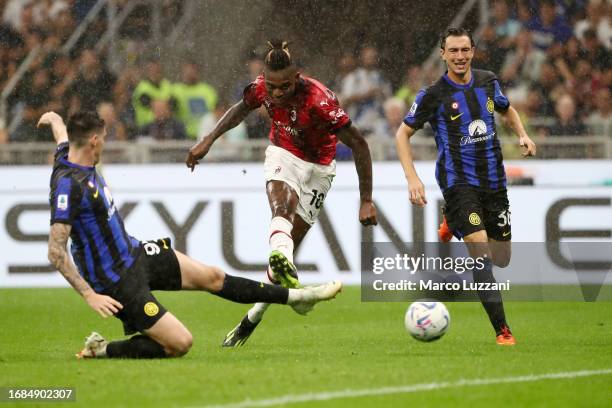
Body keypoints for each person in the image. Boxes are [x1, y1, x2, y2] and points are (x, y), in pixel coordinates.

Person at [39, 110, 342, 359]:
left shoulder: (71, 152)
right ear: (93, 140)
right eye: (103, 139)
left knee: (212, 277)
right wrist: (90, 295)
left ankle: (298, 297)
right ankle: (102, 350)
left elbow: (63, 137)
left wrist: (55, 120)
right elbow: (56, 251)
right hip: (115, 281)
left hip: (135, 253)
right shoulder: (68, 186)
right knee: (179, 344)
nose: (104, 144)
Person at [186, 39, 378, 347]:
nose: (276, 93)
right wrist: (208, 140)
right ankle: (285, 265)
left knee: (288, 245)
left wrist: (366, 199)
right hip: (282, 153)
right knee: (282, 210)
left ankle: (251, 318)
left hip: (319, 167)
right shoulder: (261, 87)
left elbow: (359, 144)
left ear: (298, 76)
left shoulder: (320, 101)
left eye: (284, 86)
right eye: (272, 87)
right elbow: (239, 110)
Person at [395, 28, 537, 346]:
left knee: (502, 257)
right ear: (443, 54)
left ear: (473, 51)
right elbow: (402, 134)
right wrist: (412, 178)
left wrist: (522, 134)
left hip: (494, 182)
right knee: (481, 256)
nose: (460, 57)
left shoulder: (488, 81)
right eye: (453, 51)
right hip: (458, 183)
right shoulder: (432, 95)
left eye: (465, 50)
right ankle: (503, 330)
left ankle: (451, 220)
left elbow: (506, 109)